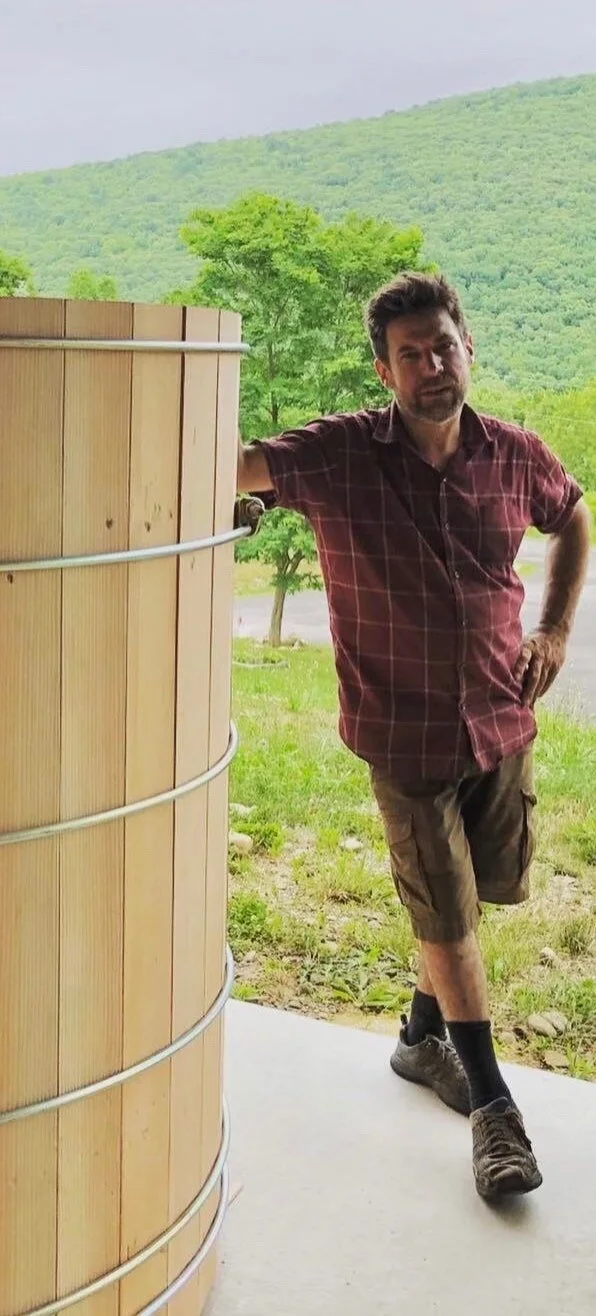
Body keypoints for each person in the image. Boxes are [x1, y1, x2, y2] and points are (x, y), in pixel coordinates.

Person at [237, 271, 591, 1201]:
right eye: (410, 355)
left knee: (489, 893)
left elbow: (574, 517)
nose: (431, 366)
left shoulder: (516, 455)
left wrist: (554, 629)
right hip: (400, 731)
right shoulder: (340, 455)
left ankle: (416, 1039)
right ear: (383, 370)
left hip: (500, 719)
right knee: (445, 911)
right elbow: (230, 468)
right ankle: (493, 1108)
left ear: (468, 345)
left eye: (443, 346)